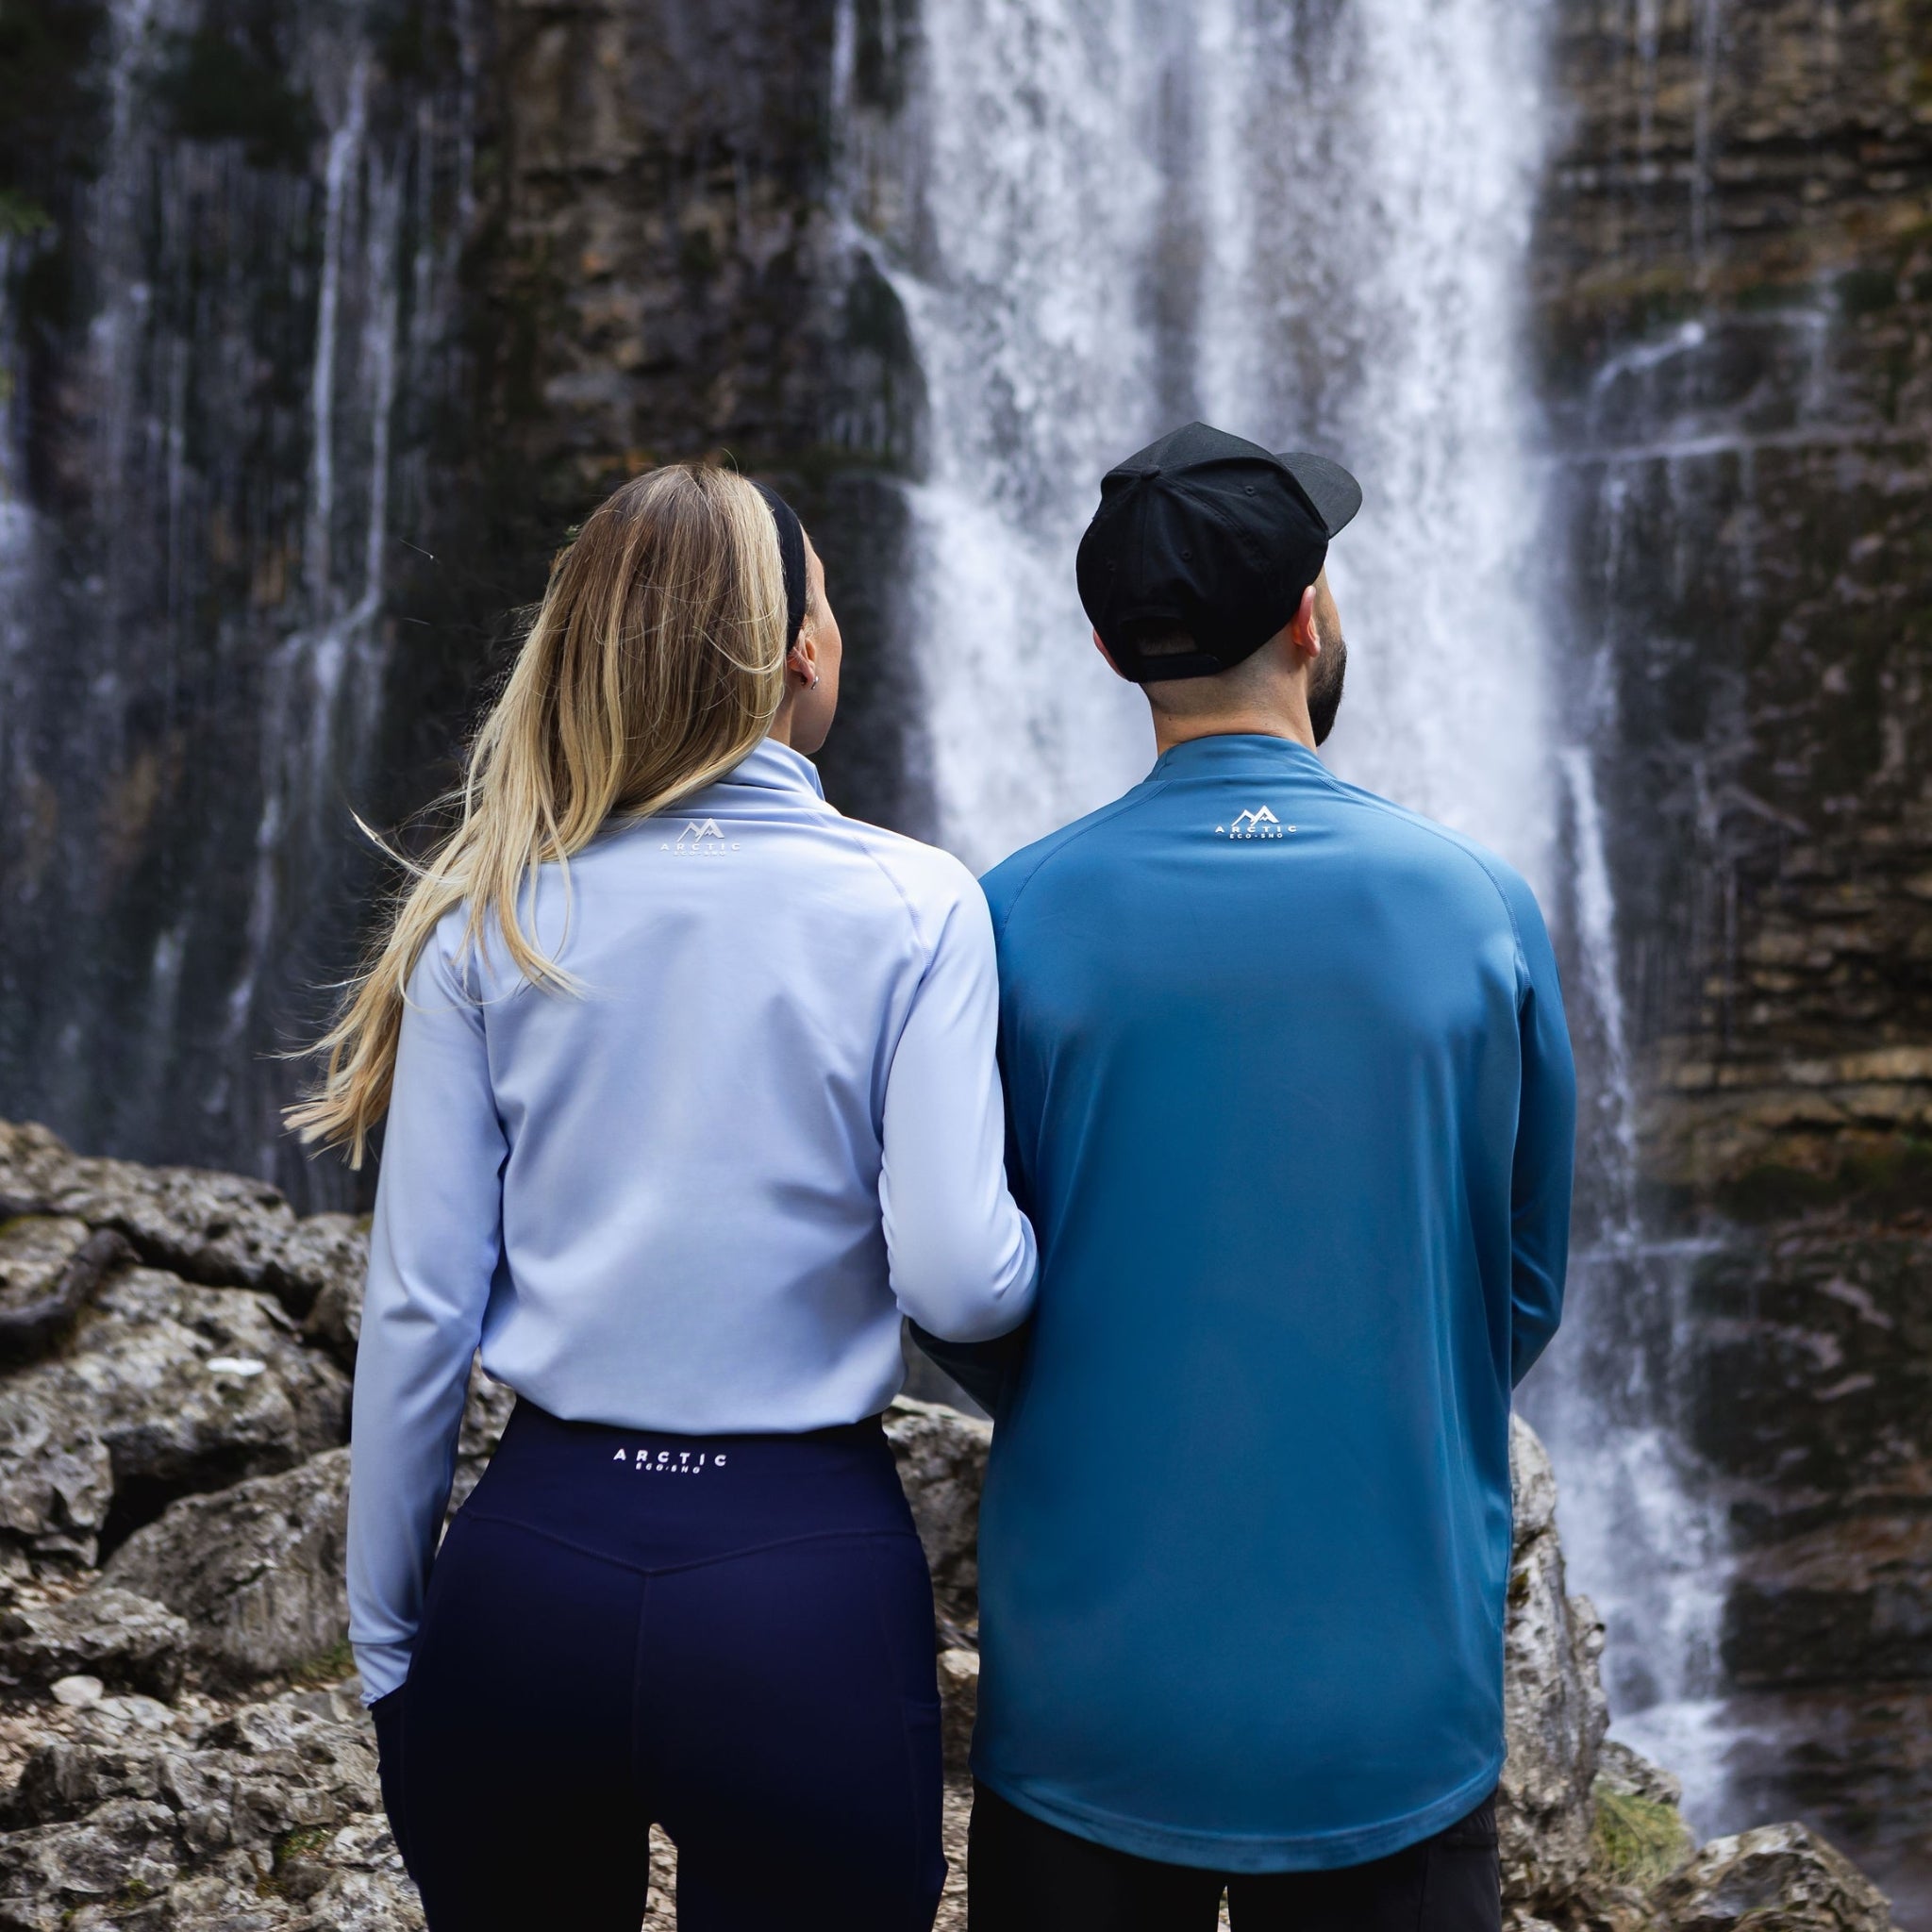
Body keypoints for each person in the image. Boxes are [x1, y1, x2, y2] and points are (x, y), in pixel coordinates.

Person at [290, 463, 1037, 1931]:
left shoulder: (490, 913)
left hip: (533, 1573)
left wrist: (388, 1646)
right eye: (821, 604)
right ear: (801, 653)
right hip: (800, 1581)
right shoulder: (916, 902)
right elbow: (956, 1281)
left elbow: (421, 1314)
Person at [918, 421, 1576, 1930]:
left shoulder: (999, 921)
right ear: (1311, 618)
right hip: (1392, 1695)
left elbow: (957, 1291)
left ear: (1106, 646)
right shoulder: (1480, 908)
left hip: (1091, 1699)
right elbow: (1521, 1283)